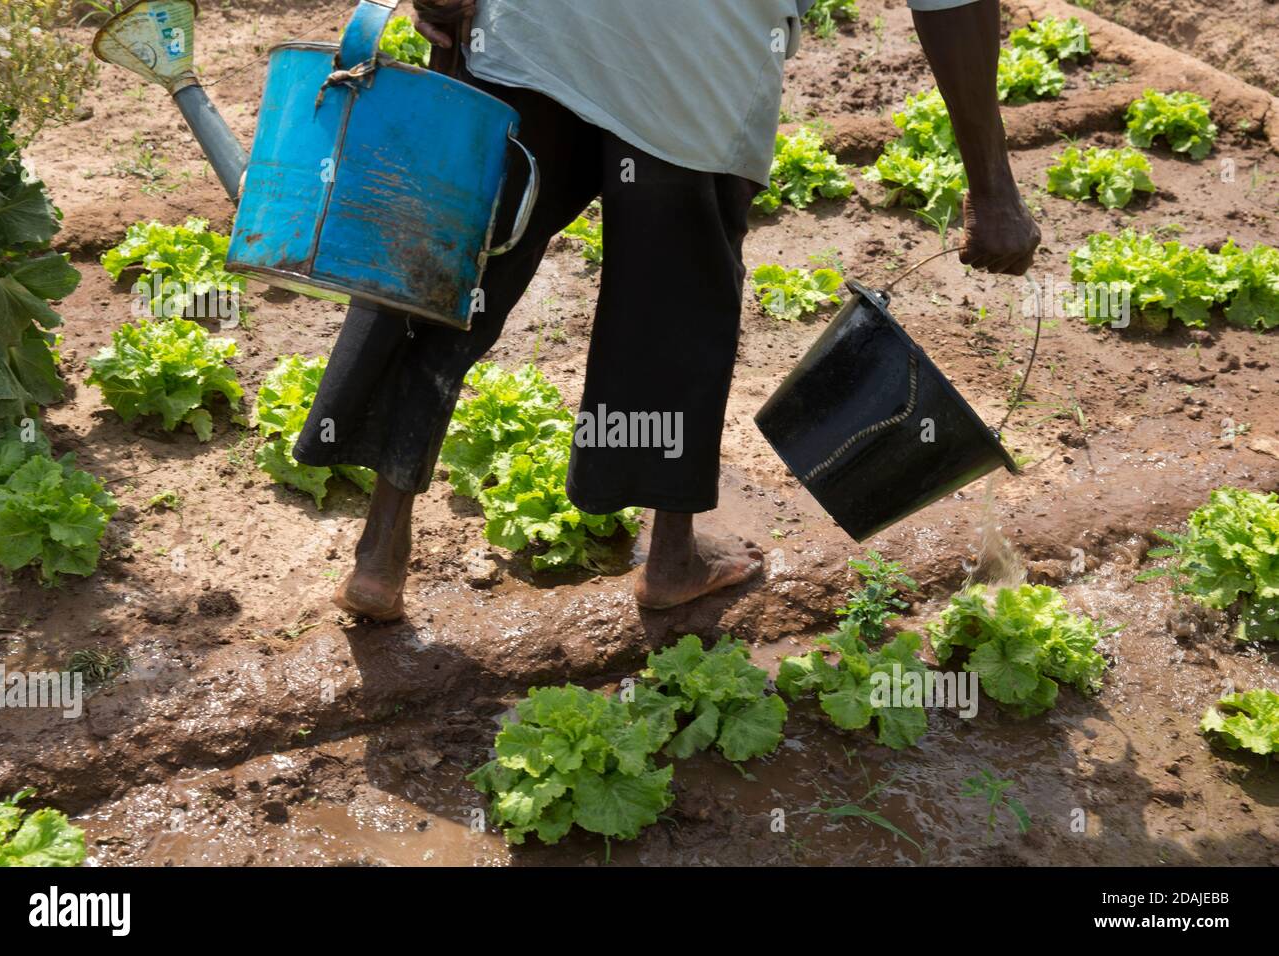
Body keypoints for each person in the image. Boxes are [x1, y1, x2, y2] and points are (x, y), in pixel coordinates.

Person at [295, 0, 1041, 621]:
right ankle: (673, 557)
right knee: (672, 299)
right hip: (697, 62)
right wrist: (992, 185)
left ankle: (379, 553)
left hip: (528, 32)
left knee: (451, 253)